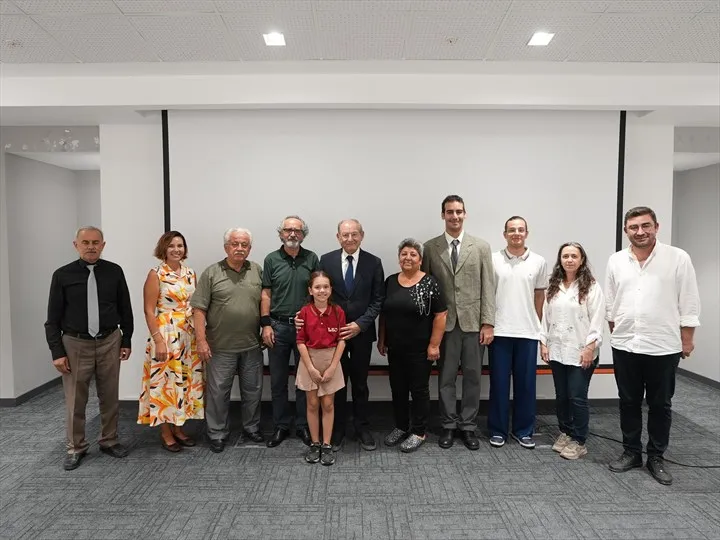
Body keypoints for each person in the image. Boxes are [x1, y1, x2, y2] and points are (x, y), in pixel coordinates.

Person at [606, 206, 700, 485]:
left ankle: (656, 456)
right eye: (634, 227)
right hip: (625, 344)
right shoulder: (616, 260)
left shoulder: (677, 258)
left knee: (660, 404)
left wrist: (687, 339)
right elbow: (611, 303)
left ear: (656, 227)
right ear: (626, 231)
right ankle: (631, 452)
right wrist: (616, 331)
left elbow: (689, 300)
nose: (640, 232)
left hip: (663, 345)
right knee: (628, 402)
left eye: (645, 226)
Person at [44, 226, 133, 471]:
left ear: (103, 245)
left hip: (109, 340)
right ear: (76, 245)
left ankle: (109, 440)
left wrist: (126, 340)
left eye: (96, 242)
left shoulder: (114, 271)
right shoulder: (62, 275)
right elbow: (52, 318)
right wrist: (57, 352)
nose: (91, 247)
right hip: (75, 343)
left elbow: (125, 308)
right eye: (86, 243)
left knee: (110, 395)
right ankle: (76, 447)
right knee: (75, 399)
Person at [422, 195, 495, 451]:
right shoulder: (430, 247)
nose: (455, 216)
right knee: (446, 377)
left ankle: (468, 426)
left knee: (473, 377)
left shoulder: (481, 247)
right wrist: (430, 328)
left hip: (474, 324)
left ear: (465, 214)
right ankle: (449, 425)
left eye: (459, 211)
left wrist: (488, 322)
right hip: (445, 325)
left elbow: (488, 286)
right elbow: (427, 288)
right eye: (450, 212)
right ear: (443, 215)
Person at [191, 228, 264, 453]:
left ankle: (251, 428)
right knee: (218, 393)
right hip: (220, 347)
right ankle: (217, 433)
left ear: (249, 248)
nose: (240, 248)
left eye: (244, 245)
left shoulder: (257, 270)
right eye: (235, 244)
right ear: (226, 247)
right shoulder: (212, 273)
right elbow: (199, 309)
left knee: (253, 391)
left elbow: (265, 301)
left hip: (251, 345)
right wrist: (201, 341)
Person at [317, 219, 385, 452]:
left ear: (361, 235)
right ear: (338, 237)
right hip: (333, 335)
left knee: (360, 383)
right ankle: (337, 429)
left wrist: (359, 325)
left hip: (361, 334)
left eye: (354, 234)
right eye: (345, 235)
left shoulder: (373, 262)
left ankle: (362, 427)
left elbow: (378, 300)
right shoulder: (326, 260)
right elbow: (322, 295)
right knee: (337, 384)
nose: (350, 239)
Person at [378, 239, 448, 453]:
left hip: (420, 349)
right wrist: (382, 339)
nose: (407, 257)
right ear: (399, 258)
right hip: (395, 348)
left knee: (419, 390)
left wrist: (434, 345)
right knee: (398, 389)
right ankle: (401, 426)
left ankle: (419, 431)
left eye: (413, 254)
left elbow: (441, 315)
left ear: (420, 260)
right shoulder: (390, 281)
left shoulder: (430, 283)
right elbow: (384, 314)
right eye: (404, 254)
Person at [138, 231, 203, 452]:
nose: (176, 249)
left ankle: (178, 428)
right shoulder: (156, 274)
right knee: (165, 384)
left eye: (180, 245)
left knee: (183, 382)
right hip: (166, 334)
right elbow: (148, 310)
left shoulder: (190, 273)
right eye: (172, 246)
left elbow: (195, 304)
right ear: (163, 249)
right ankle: (166, 432)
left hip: (188, 335)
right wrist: (158, 340)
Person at [539, 242, 604, 460]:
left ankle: (579, 440)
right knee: (562, 396)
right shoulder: (553, 286)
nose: (569, 260)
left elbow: (597, 320)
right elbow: (545, 317)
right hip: (557, 350)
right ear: (560, 260)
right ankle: (565, 432)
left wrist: (590, 347)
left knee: (577, 397)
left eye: (574, 256)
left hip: (581, 352)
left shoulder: (592, 287)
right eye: (565, 256)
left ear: (581, 260)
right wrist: (543, 343)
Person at [488, 216, 548, 449]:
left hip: (527, 332)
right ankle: (498, 430)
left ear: (526, 233)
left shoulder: (539, 261)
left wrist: (537, 324)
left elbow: (539, 295)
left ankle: (523, 431)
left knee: (526, 385)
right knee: (499, 384)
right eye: (511, 230)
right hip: (500, 330)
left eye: (520, 230)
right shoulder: (493, 259)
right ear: (504, 234)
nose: (516, 233)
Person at [261, 216, 320, 448]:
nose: (292, 234)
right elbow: (266, 293)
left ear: (303, 234)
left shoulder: (312, 258)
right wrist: (266, 324)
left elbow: (318, 292)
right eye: (288, 230)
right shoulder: (271, 259)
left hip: (304, 327)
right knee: (278, 380)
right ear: (281, 233)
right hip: (277, 327)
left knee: (304, 381)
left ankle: (304, 425)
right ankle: (281, 425)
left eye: (297, 230)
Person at [296, 271, 347, 466]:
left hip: (331, 359)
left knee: (328, 404)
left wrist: (333, 367)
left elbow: (342, 340)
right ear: (310, 290)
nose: (322, 290)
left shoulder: (338, 311)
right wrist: (310, 368)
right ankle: (315, 443)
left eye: (326, 287)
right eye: (317, 287)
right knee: (312, 403)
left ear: (331, 289)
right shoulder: (304, 312)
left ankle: (326, 444)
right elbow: (300, 341)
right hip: (309, 360)